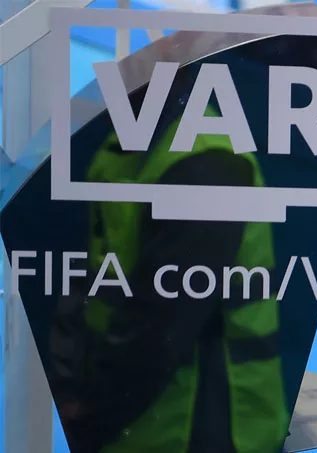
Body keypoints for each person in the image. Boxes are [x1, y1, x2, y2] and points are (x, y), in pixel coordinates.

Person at [52, 91, 290, 453]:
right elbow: (91, 285)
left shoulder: (207, 163)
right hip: (135, 431)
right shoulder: (124, 145)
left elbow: (159, 330)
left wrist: (85, 423)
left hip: (201, 432)